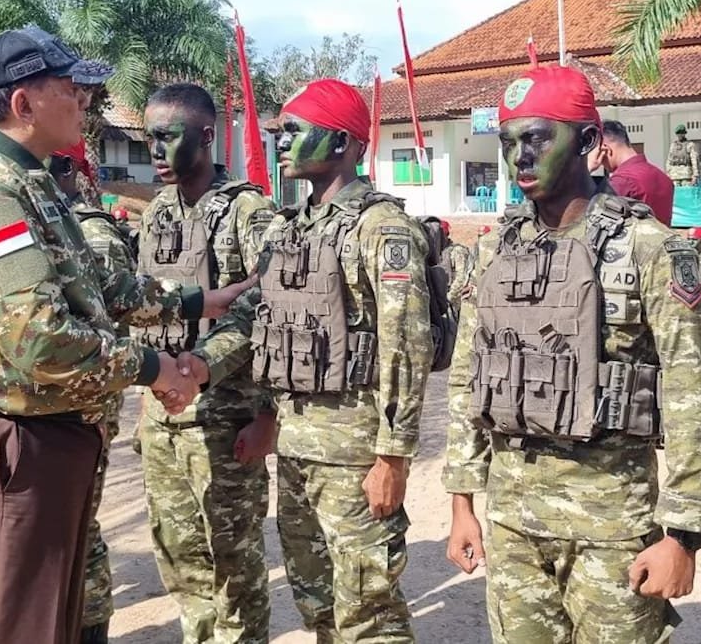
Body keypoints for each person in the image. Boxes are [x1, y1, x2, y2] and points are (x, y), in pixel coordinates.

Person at [0, 27, 245, 644]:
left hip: (42, 436)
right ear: (23, 103)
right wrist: (155, 369)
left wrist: (197, 300)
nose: (85, 101)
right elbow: (41, 339)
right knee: (21, 628)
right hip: (17, 440)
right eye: (70, 89)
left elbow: (92, 286)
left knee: (50, 623)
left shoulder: (24, 179)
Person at [443, 64, 701, 643]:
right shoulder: (496, 250)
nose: (520, 157)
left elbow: (692, 393)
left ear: (589, 141)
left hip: (613, 524)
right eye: (509, 142)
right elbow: (470, 376)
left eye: (538, 139)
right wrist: (462, 502)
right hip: (514, 522)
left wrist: (682, 535)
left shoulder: (649, 248)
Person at [190, 78, 433, 643]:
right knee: (316, 600)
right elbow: (254, 317)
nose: (281, 142)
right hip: (297, 448)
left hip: (356, 454)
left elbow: (407, 345)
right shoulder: (287, 229)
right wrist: (200, 367)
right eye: (280, 132)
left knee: (369, 611)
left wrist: (393, 456)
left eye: (294, 131)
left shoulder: (382, 229)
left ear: (344, 142)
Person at [134, 83, 276, 644]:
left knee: (233, 564)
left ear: (206, 136)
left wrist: (264, 413)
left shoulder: (248, 210)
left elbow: (268, 308)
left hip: (225, 417)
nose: (155, 150)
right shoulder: (157, 212)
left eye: (167, 137)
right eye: (148, 138)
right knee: (179, 556)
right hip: (163, 413)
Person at [49, 127, 132, 642]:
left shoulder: (92, 232)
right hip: (57, 398)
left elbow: (115, 313)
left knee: (81, 523)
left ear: (66, 171)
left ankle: (91, 623)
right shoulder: (44, 222)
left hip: (88, 398)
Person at [592, 120, 674, 225]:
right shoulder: (664, 178)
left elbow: (590, 218)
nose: (601, 163)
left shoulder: (621, 181)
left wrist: (589, 168)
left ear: (605, 149)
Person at [439, 219, 474, 312]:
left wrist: (448, 298)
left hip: (454, 301)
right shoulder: (438, 252)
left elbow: (461, 278)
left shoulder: (457, 251)